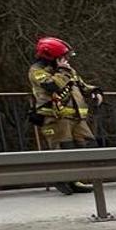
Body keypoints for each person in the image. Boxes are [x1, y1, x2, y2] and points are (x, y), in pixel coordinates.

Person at [28, 36, 103, 194]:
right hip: (55, 118)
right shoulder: (37, 71)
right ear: (52, 57)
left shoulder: (68, 70)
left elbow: (81, 85)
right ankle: (63, 180)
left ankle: (78, 178)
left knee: (89, 146)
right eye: (63, 57)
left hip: (76, 117)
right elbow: (53, 86)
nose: (66, 60)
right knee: (64, 149)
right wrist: (63, 71)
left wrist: (95, 91)